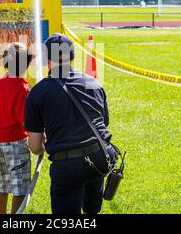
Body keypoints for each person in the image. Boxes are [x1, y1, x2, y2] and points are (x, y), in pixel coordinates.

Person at [25, 33, 116, 214]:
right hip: (100, 157)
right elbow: (103, 123)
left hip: (68, 165)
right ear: (72, 56)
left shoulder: (38, 92)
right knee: (92, 210)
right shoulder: (94, 83)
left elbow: (35, 146)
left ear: (48, 59)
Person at [0, 42, 33, 214]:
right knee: (21, 188)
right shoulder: (23, 89)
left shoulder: (0, 82)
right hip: (16, 143)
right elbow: (26, 121)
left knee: (3, 183)